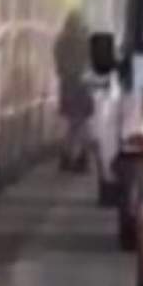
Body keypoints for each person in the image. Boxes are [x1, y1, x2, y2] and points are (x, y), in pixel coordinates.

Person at [54, 10, 93, 173]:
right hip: (82, 86)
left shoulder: (61, 41)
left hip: (67, 85)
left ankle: (66, 156)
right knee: (82, 123)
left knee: (71, 124)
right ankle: (81, 158)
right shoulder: (85, 41)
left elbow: (59, 64)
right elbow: (91, 62)